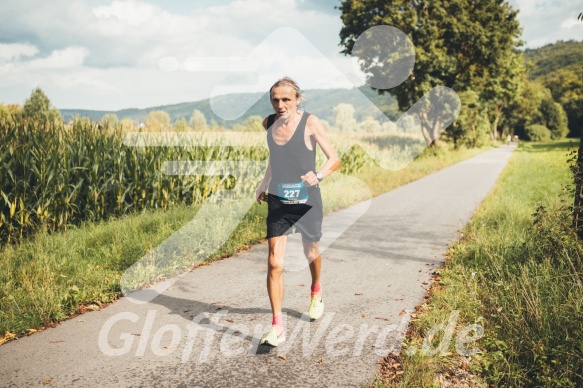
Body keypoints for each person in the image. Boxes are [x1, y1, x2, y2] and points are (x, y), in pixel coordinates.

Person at [255, 77, 340, 347]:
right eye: (275, 100)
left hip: (306, 199)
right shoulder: (268, 123)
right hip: (279, 199)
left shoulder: (311, 122)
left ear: (297, 99)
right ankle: (277, 327)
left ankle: (316, 290)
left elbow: (334, 158)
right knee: (274, 263)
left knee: (310, 252)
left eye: (286, 100)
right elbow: (275, 157)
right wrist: (264, 182)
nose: (280, 105)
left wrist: (319, 175)